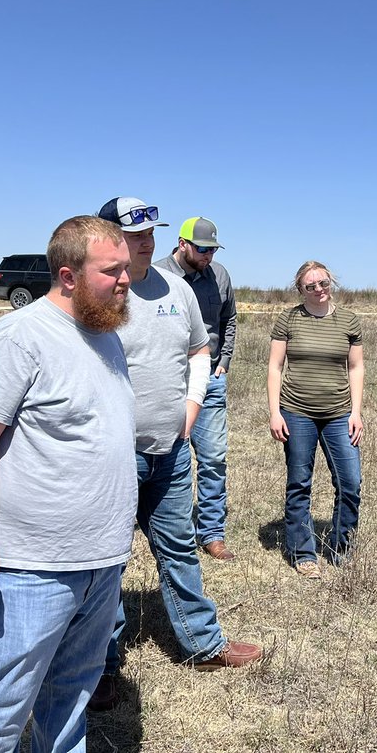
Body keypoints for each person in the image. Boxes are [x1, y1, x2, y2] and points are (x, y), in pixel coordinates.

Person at [0, 216, 137, 753]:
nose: (125, 280)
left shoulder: (105, 334)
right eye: (112, 271)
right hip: (31, 566)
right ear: (68, 275)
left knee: (71, 700)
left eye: (126, 268)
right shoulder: (20, 335)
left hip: (100, 561)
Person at [91, 197, 261, 711]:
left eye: (150, 234)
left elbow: (198, 350)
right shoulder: (94, 294)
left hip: (170, 452)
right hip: (111, 459)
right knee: (107, 566)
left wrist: (190, 405)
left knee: (180, 546)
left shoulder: (178, 290)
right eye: (133, 234)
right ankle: (101, 665)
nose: (146, 242)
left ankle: (202, 643)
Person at [267, 261, 365, 580]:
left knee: (350, 482)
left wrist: (356, 412)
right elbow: (275, 367)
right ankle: (303, 552)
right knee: (299, 482)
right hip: (297, 412)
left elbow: (356, 368)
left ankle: (340, 546)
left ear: (331, 282)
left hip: (339, 414)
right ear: (301, 290)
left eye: (323, 283)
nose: (319, 290)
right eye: (311, 286)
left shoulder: (348, 320)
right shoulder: (289, 319)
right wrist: (274, 412)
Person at [154, 217, 237, 561]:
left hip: (210, 379)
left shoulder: (219, 276)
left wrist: (224, 360)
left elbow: (229, 319)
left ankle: (212, 532)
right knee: (162, 457)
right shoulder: (157, 277)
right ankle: (163, 527)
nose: (208, 256)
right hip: (167, 380)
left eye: (213, 250)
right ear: (182, 243)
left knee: (214, 457)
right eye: (202, 249)